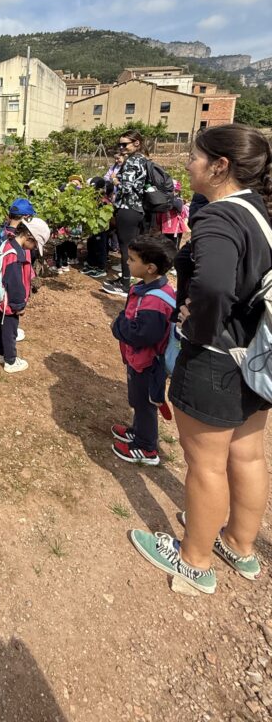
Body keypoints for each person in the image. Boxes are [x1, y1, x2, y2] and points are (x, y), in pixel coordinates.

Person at [129, 124, 272, 595]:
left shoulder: (219, 218)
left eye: (194, 156)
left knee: (205, 464)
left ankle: (194, 560)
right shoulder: (257, 210)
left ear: (220, 166)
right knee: (247, 454)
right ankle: (239, 544)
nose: (188, 163)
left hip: (215, 359)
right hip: (255, 352)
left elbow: (212, 286)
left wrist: (196, 331)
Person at [110, 236, 176, 465]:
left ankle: (146, 448)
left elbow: (142, 335)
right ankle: (138, 432)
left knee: (144, 403)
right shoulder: (147, 289)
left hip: (147, 363)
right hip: (140, 360)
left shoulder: (155, 302)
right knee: (138, 400)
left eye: (132, 259)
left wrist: (118, 325)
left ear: (150, 268)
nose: (127, 262)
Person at [0, 216, 49, 373]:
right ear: (29, 236)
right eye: (35, 244)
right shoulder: (16, 255)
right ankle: (10, 361)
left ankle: (0, 353)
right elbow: (15, 283)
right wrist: (18, 306)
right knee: (10, 331)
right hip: (9, 301)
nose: (34, 248)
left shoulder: (8, 243)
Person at [102, 130, 149, 298]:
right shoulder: (143, 159)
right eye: (119, 144)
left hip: (127, 208)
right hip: (137, 209)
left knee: (126, 248)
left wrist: (115, 181)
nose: (121, 148)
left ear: (136, 143)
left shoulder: (132, 161)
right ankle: (126, 279)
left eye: (124, 144)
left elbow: (126, 188)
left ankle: (125, 285)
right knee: (131, 246)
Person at [82, 177, 115, 279]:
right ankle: (92, 264)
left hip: (101, 229)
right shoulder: (93, 198)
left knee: (100, 247)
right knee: (91, 245)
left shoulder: (104, 201)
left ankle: (101, 268)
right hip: (93, 228)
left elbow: (107, 215)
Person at [156, 181, 189, 249]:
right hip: (165, 228)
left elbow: (178, 207)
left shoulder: (178, 200)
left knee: (174, 248)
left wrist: (168, 198)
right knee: (165, 247)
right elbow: (159, 213)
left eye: (174, 190)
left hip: (175, 228)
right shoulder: (164, 200)